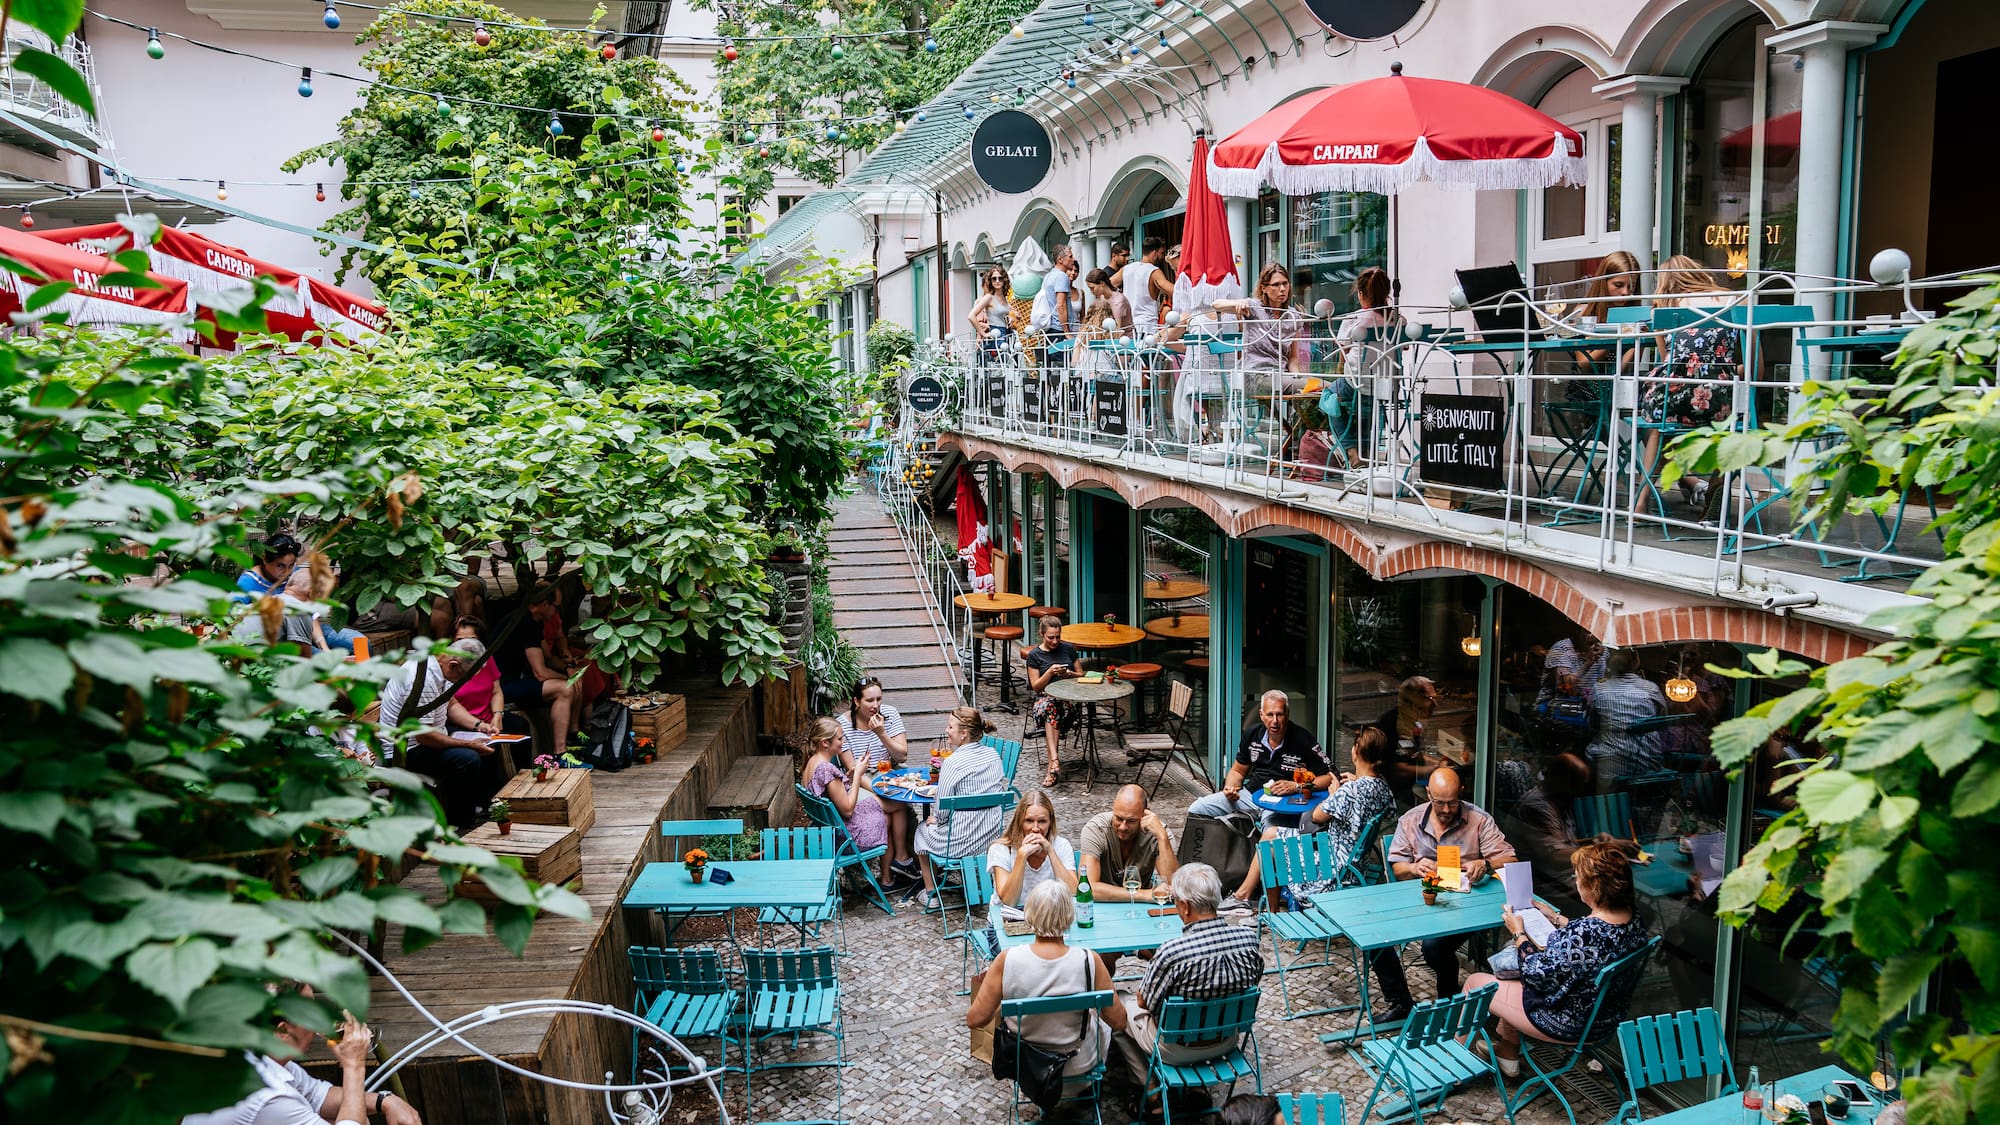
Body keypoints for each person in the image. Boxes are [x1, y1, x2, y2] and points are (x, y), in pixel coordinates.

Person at [1463, 842, 1649, 1077]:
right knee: (1516, 978)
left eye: (1578, 877)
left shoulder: (1585, 932)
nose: (1576, 881)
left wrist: (1518, 932)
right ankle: (1507, 1052)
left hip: (1567, 1022)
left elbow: (1535, 973)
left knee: (1476, 982)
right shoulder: (1633, 920)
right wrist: (1556, 918)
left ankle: (1453, 1065)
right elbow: (1595, 946)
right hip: (1605, 1018)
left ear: (1594, 887)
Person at [965, 880, 1126, 1101]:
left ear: (1029, 917)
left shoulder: (1007, 960)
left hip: (1026, 1065)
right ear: (1069, 917)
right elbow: (1119, 1022)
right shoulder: (1090, 960)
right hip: (1078, 1064)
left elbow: (975, 1019)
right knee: (1100, 1024)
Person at [1110, 863, 1264, 1091]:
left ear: (1186, 907)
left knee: (1118, 1002)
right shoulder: (1249, 940)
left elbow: (1143, 1002)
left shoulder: (1173, 951)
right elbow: (1251, 984)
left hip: (1176, 1047)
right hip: (1227, 1040)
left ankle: (1149, 1087)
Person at [181, 984, 419, 1125]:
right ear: (282, 1031)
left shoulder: (256, 1051)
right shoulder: (267, 1095)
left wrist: (384, 1101)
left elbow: (316, 1094)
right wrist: (354, 1067)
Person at [1185, 691, 1332, 912]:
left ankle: (1243, 894)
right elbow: (1237, 770)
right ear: (1261, 715)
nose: (1275, 721)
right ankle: (1200, 878)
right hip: (1250, 794)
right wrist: (1230, 787)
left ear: (1287, 715)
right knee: (1198, 808)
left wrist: (1298, 786)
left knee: (1271, 835)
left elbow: (1329, 776)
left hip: (1281, 804)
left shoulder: (1302, 739)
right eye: (1270, 714)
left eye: (1280, 715)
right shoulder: (1252, 734)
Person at [1383, 767, 1517, 1004]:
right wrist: (1414, 868)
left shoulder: (1479, 820)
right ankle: (1400, 1002)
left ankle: (1449, 997)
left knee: (1434, 948)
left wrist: (1485, 864)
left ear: (1462, 794)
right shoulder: (1411, 820)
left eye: (1453, 803)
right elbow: (1398, 867)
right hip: (1423, 902)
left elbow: (1510, 860)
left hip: (1466, 906)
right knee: (1378, 939)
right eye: (1440, 803)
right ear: (1428, 794)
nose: (1446, 810)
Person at [1640, 255, 1742, 515]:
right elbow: (1755, 369)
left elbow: (1668, 362)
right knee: (1731, 430)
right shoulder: (1734, 299)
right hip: (1719, 402)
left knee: (1655, 427)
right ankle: (1716, 487)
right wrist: (1721, 370)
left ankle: (1640, 504)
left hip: (1674, 400)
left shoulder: (1666, 306)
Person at [377, 640, 501, 833]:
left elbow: (451, 704)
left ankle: (485, 807)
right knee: (467, 759)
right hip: (404, 750)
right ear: (454, 665)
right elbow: (424, 737)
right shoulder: (423, 678)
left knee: (490, 744)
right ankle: (460, 825)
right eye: (465, 677)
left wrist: (479, 725)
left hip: (429, 737)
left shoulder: (439, 668)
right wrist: (469, 745)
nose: (464, 682)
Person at [1282, 726, 1399, 902]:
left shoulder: (1350, 791)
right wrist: (1355, 783)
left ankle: (1264, 906)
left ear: (1356, 752)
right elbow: (1391, 813)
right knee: (1280, 836)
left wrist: (1335, 793)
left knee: (1270, 840)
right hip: (1358, 863)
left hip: (1333, 865)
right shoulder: (1382, 787)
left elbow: (1317, 817)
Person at [800, 716, 914, 888]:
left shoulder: (812, 762)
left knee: (888, 811)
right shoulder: (825, 768)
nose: (843, 742)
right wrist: (858, 775)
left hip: (830, 828)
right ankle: (891, 872)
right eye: (839, 738)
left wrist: (848, 776)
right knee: (890, 815)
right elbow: (847, 810)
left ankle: (889, 875)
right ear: (825, 743)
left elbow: (832, 791)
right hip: (844, 838)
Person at [914, 705, 1009, 909]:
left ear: (964, 734)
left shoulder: (953, 763)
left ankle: (930, 893)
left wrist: (935, 820)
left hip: (959, 844)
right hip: (989, 840)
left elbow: (942, 810)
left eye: (950, 727)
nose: (947, 730)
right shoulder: (993, 755)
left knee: (921, 830)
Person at [1333, 267, 1406, 466]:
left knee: (1330, 397)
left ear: (1361, 294)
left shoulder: (1353, 319)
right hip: (1387, 388)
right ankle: (1369, 452)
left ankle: (1351, 451)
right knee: (1373, 406)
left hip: (1357, 385)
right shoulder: (1398, 320)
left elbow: (1343, 351)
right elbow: (1405, 346)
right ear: (1386, 294)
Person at [491, 585, 578, 747]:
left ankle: (573, 735)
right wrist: (569, 677)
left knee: (569, 685)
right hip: (503, 687)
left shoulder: (531, 620)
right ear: (545, 604)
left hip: (514, 680)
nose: (557, 613)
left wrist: (568, 667)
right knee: (564, 688)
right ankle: (560, 752)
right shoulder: (525, 623)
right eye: (556, 607)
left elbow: (547, 657)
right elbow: (541, 674)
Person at [1505, 751, 1595, 902]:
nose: (1580, 791)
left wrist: (1593, 842)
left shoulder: (1559, 800)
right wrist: (1604, 851)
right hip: (1547, 886)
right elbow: (1555, 856)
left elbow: (1562, 844)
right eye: (1577, 784)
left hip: (1563, 877)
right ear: (1562, 780)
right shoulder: (1537, 807)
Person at [1213, 262, 1310, 400]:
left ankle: (1296, 421)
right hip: (1254, 376)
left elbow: (1293, 358)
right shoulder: (1254, 307)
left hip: (1281, 376)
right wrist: (1238, 304)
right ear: (1264, 288)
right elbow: (1216, 304)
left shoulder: (1293, 316)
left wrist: (1298, 377)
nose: (1282, 289)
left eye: (1285, 283)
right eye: (1276, 285)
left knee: (1319, 388)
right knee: (1321, 387)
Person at [1079, 784, 1180, 903]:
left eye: (1131, 821)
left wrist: (1162, 838)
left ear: (1146, 814)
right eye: (1118, 818)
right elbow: (1088, 888)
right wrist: (1145, 895)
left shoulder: (1159, 833)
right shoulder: (1096, 829)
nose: (1123, 827)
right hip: (1104, 905)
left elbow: (1173, 886)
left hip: (1142, 909)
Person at [986, 791, 1078, 920]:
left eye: (1042, 821)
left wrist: (1050, 852)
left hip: (1049, 921)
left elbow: (1073, 892)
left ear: (1050, 822)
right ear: (1019, 822)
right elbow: (1009, 901)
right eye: (1029, 821)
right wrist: (1022, 856)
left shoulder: (1061, 845)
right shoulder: (1001, 849)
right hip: (1009, 922)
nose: (1035, 828)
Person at [1587, 648, 1666, 791]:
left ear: (1609, 665)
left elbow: (1592, 725)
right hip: (1650, 764)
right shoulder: (1651, 689)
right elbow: (1662, 720)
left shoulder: (1599, 689)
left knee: (1588, 749)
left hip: (1611, 768)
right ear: (1636, 662)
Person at [1022, 616, 1084, 789]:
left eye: (1058, 636)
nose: (1055, 641)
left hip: (1067, 699)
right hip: (1042, 699)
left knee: (1053, 709)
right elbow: (1035, 687)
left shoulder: (1068, 649)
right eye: (1051, 637)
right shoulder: (1035, 656)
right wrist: (1049, 672)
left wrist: (1068, 674)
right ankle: (1054, 762)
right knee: (1051, 706)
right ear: (1042, 634)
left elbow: (1081, 674)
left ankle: (1053, 765)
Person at [1560, 250, 1642, 372]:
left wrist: (1638, 340)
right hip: (1585, 388)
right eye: (1618, 285)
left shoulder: (1633, 314)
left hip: (1617, 386)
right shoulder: (1584, 311)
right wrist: (1616, 338)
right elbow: (1583, 364)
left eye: (1631, 286)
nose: (1625, 292)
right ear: (1603, 283)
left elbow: (1625, 368)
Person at [449, 616, 529, 737]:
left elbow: (496, 691)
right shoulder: (449, 665)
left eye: (472, 640)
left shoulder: (486, 658)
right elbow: (452, 707)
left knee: (520, 725)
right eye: (460, 640)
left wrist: (498, 715)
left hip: (488, 718)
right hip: (463, 722)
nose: (466, 645)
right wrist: (479, 725)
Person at [1370, 675, 1439, 808]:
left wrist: (1435, 762)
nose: (1435, 704)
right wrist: (1435, 768)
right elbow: (1397, 769)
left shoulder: (1413, 721)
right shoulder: (1392, 725)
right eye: (1430, 698)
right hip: (1393, 793)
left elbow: (1411, 753)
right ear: (1414, 699)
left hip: (1409, 785)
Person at [838, 675, 908, 770]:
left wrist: (881, 734)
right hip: (861, 777)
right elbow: (852, 769)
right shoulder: (842, 725)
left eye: (879, 699)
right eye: (870, 700)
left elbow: (902, 757)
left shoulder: (890, 713)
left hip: (888, 772)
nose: (875, 705)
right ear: (857, 701)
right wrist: (874, 785)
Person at [1121, 237, 1172, 335]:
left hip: (1129, 325)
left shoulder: (1127, 269)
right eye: (1161, 253)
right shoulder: (1154, 271)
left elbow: (1109, 282)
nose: (1162, 257)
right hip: (1148, 325)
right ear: (1154, 253)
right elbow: (1172, 290)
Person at [1031, 244, 1079, 340]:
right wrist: (1067, 332)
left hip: (1051, 328)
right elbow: (1061, 305)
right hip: (1059, 329)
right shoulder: (1061, 276)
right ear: (1060, 260)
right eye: (1070, 256)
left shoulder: (1049, 276)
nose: (1073, 259)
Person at [235, 533, 301, 602]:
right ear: (265, 559)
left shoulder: (295, 573)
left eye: (291, 565)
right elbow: (233, 609)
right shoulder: (248, 582)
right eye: (280, 566)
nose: (287, 572)